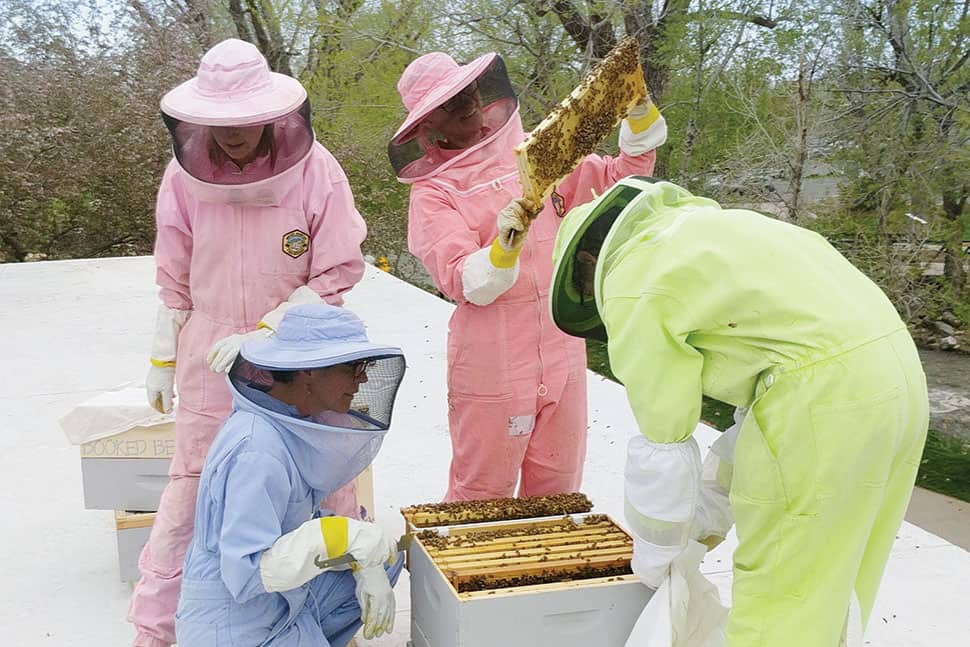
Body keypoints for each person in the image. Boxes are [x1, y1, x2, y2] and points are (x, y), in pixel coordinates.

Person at [548, 176, 929, 646]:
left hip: (824, 401)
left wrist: (658, 553)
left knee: (779, 587)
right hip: (899, 378)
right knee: (839, 565)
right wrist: (704, 517)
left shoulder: (632, 280)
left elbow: (664, 445)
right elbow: (771, 401)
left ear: (589, 259)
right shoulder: (720, 233)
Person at [136, 39, 368, 647]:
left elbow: (337, 272)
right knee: (195, 487)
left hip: (300, 357)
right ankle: (158, 631)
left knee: (319, 476)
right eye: (219, 124)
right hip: (209, 354)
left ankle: (338, 611)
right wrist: (164, 355)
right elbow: (174, 280)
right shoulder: (181, 177)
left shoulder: (318, 169)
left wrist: (271, 329)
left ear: (269, 115)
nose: (232, 135)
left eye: (242, 122)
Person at [387, 50, 667, 501]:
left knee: (558, 490)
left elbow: (620, 179)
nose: (467, 105)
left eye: (468, 93)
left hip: (562, 350)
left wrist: (638, 117)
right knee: (482, 493)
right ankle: (470, 571)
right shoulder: (433, 194)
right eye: (450, 103)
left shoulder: (538, 157)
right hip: (491, 363)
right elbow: (462, 279)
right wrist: (502, 249)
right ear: (426, 126)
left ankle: (545, 572)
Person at [175, 303, 406, 646]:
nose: (364, 378)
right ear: (309, 371)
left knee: (382, 559)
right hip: (235, 620)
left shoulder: (289, 420)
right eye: (353, 366)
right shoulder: (256, 452)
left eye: (366, 365)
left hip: (277, 600)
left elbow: (291, 520)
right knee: (361, 549)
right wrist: (339, 535)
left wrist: (363, 560)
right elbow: (246, 574)